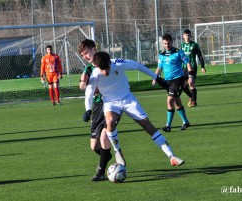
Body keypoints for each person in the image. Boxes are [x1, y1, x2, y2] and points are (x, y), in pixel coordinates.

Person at [84, 51, 185, 167]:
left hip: (128, 99)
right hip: (110, 102)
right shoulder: (95, 74)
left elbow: (138, 66)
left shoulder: (119, 63)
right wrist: (88, 109)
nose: (105, 72)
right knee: (110, 121)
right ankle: (118, 152)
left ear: (109, 62)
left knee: (148, 126)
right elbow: (89, 92)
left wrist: (156, 78)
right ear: (97, 66)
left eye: (107, 68)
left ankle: (171, 155)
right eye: (102, 69)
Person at [78, 39, 118, 181]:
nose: (86, 56)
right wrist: (84, 81)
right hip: (97, 107)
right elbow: (82, 87)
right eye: (83, 55)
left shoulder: (107, 61)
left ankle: (100, 172)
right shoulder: (88, 69)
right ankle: (106, 155)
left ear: (94, 49)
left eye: (87, 53)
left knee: (104, 137)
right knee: (94, 146)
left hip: (112, 104)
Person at [153, 34, 193, 132]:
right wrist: (155, 77)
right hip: (168, 81)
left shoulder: (178, 52)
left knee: (170, 100)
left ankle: (168, 125)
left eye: (169, 43)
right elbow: (160, 67)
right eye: (165, 43)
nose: (167, 45)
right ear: (163, 43)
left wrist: (190, 76)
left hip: (178, 79)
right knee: (177, 102)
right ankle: (186, 122)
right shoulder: (161, 54)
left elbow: (188, 63)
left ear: (172, 42)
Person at [181, 29, 206, 107]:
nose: (187, 37)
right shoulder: (182, 46)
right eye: (186, 35)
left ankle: (194, 102)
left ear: (190, 36)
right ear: (183, 36)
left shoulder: (195, 45)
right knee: (183, 86)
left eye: (188, 35)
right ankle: (191, 97)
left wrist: (202, 66)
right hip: (183, 68)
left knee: (191, 83)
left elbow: (200, 55)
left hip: (192, 68)